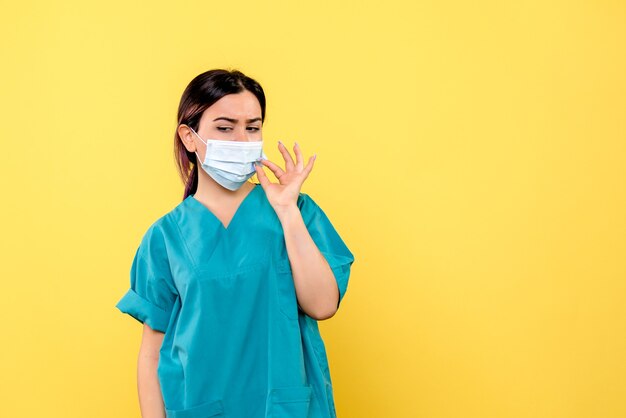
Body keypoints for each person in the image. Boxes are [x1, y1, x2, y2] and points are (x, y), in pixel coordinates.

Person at [115, 69, 355, 418]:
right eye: (225, 128)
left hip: (284, 407)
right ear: (190, 136)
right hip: (200, 405)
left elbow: (323, 305)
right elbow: (152, 353)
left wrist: (287, 210)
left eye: (253, 127)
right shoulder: (165, 238)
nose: (242, 141)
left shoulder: (295, 211)